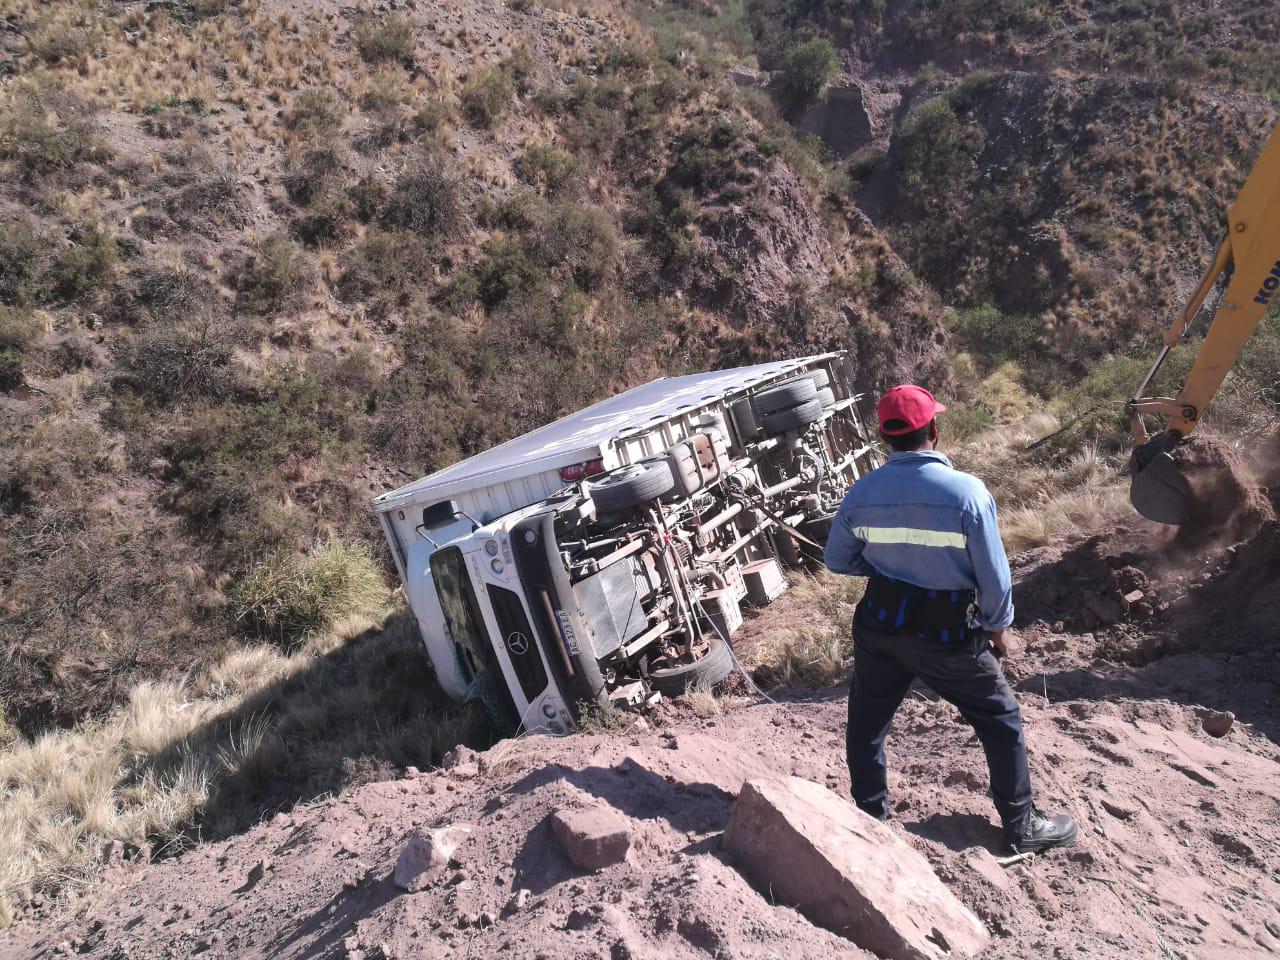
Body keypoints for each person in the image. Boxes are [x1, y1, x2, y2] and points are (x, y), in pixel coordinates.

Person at [824, 384, 1077, 854]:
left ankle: (869, 818)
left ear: (885, 437)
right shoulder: (967, 494)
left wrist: (886, 570)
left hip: (880, 623)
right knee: (998, 716)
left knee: (867, 722)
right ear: (934, 431)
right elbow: (994, 578)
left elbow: (838, 561)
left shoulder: (861, 493)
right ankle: (1020, 826)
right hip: (946, 633)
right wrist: (998, 626)